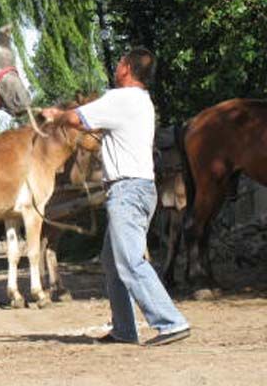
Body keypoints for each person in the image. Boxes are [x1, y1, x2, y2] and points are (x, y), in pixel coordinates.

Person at [42, 47, 190, 346]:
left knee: (130, 261)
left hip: (127, 191)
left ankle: (171, 322)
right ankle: (124, 329)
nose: (117, 66)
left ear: (126, 68)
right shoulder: (142, 102)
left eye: (121, 61)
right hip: (137, 190)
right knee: (113, 261)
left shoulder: (120, 98)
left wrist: (55, 115)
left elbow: (76, 120)